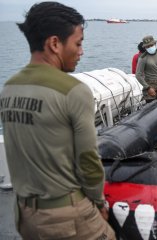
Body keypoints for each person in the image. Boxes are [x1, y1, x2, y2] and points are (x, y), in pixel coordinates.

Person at [0, 2, 115, 239]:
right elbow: (88, 160)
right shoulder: (74, 91)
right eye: (78, 43)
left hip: (25, 214)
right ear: (54, 44)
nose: (81, 51)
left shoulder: (10, 88)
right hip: (65, 216)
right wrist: (99, 203)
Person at [136, 35, 157, 102]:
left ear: (155, 44)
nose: (150, 47)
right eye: (147, 46)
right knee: (151, 105)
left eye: (151, 45)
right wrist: (148, 88)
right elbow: (138, 75)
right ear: (145, 47)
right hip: (150, 84)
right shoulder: (143, 58)